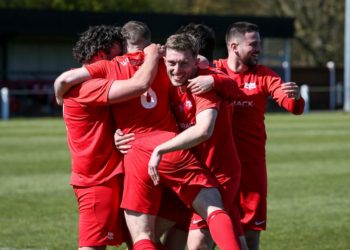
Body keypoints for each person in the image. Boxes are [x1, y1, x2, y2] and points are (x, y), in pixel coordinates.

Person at [55, 20, 239, 250]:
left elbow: (65, 80)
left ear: (124, 45)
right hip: (171, 147)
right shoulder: (165, 63)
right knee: (213, 210)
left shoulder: (108, 69)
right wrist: (210, 76)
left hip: (134, 154)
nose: (176, 68)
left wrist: (58, 94)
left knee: (140, 237)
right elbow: (202, 64)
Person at [188, 21, 305, 250]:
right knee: (206, 237)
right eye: (253, 44)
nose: (259, 49)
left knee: (250, 240)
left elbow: (292, 105)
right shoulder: (214, 69)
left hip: (251, 171)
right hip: (216, 169)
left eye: (259, 44)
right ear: (234, 46)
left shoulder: (264, 75)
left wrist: (296, 97)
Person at [54, 25, 162, 250]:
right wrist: (151, 54)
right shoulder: (86, 86)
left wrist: (115, 133)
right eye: (119, 52)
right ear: (104, 53)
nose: (123, 58)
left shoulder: (78, 82)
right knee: (93, 246)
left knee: (142, 238)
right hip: (97, 180)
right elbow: (139, 85)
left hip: (112, 174)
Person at [148, 33, 242, 250]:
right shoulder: (163, 79)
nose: (177, 70)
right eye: (172, 63)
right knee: (145, 232)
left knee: (198, 244)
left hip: (217, 173)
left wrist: (160, 149)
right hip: (188, 174)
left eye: (184, 63)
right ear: (164, 60)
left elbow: (203, 130)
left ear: (195, 60)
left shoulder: (202, 84)